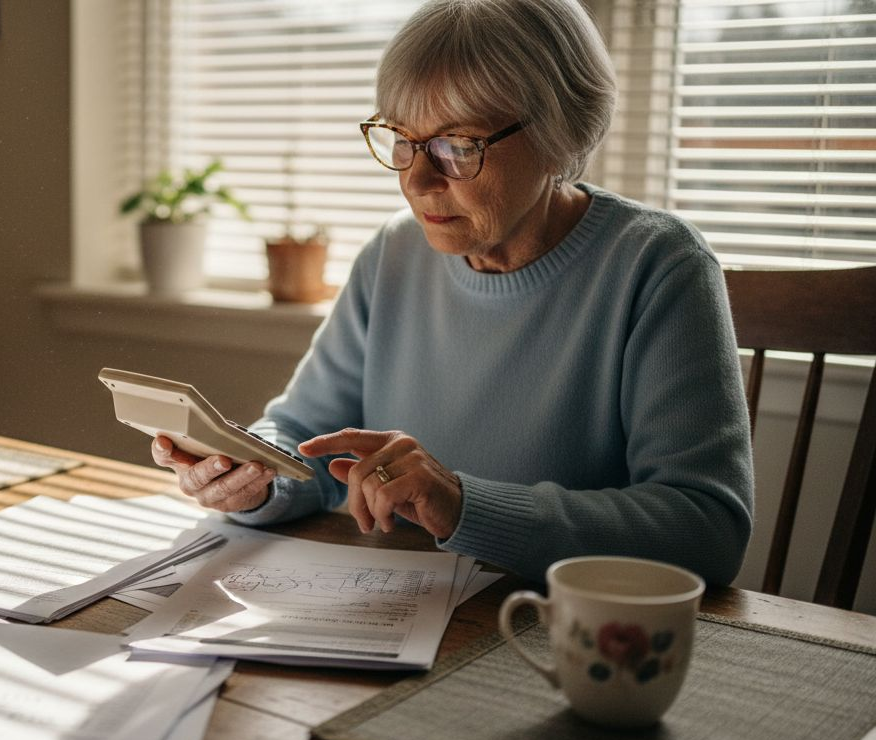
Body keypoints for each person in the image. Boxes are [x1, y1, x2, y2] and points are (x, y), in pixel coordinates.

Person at [150, 0, 754, 586]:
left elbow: (705, 531)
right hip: (407, 610)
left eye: (458, 145)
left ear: (559, 133)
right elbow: (306, 434)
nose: (416, 180)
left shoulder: (658, 265)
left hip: (559, 633)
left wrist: (464, 506)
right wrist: (255, 475)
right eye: (402, 139)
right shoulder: (393, 254)